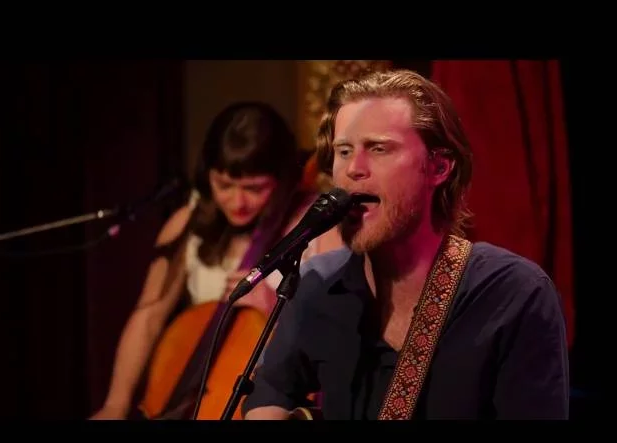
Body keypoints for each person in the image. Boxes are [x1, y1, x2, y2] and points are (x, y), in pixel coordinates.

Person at [241, 69, 570, 420]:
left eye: (378, 148)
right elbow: (268, 393)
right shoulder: (318, 284)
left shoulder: (513, 294)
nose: (354, 169)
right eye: (344, 151)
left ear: (439, 167)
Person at [90, 101, 343, 420]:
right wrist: (116, 404)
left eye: (254, 188)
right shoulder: (187, 223)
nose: (237, 202)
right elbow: (149, 315)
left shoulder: (314, 228)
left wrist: (272, 307)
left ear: (280, 179)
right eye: (223, 185)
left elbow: (335, 333)